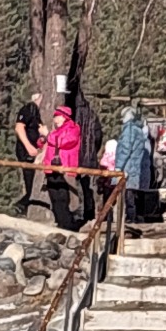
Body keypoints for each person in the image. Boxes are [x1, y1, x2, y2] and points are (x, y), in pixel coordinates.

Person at [38, 104, 80, 231]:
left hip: (64, 168)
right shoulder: (56, 131)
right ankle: (60, 223)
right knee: (54, 197)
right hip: (52, 168)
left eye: (56, 117)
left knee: (63, 198)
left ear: (63, 117)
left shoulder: (73, 129)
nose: (54, 120)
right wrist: (42, 139)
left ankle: (68, 225)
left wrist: (48, 135)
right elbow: (46, 143)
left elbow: (64, 142)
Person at [116, 105, 153, 223]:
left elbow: (125, 149)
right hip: (134, 168)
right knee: (131, 195)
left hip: (127, 167)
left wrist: (119, 166)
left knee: (127, 195)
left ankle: (129, 219)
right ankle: (133, 217)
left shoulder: (129, 130)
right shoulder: (138, 130)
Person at [72, 93, 102, 224]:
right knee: (89, 187)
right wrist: (93, 150)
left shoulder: (74, 117)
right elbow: (98, 136)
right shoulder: (92, 116)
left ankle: (80, 212)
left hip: (77, 157)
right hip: (89, 157)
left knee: (77, 186)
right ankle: (91, 213)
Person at [13, 93, 44, 215]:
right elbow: (19, 128)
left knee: (33, 182)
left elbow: (41, 129)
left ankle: (23, 206)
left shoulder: (37, 113)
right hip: (26, 152)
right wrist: (29, 147)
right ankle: (21, 205)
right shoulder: (28, 109)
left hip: (35, 152)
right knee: (30, 183)